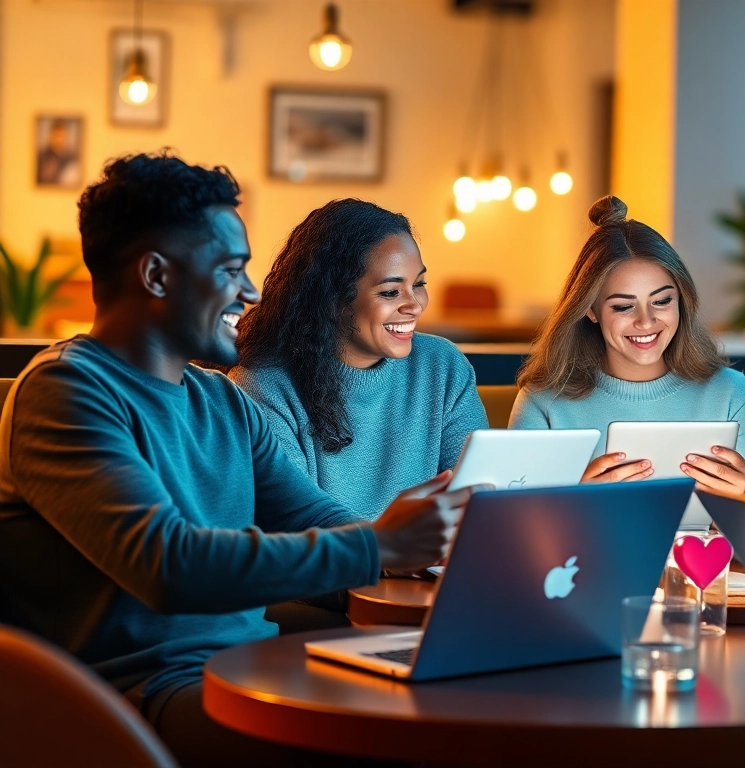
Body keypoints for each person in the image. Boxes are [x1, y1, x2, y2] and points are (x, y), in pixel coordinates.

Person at [0, 152, 479, 768]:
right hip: (132, 698)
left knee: (459, 709)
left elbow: (314, 517)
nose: (252, 292)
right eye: (230, 269)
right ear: (156, 275)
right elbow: (170, 565)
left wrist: (420, 536)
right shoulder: (65, 393)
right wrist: (379, 546)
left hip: (244, 666)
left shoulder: (220, 399)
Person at [509, 195, 745, 524]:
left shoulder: (731, 393)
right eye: (623, 306)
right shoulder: (544, 401)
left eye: (662, 301)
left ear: (682, 300)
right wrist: (576, 508)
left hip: (700, 574)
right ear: (590, 310)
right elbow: (518, 532)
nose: (646, 321)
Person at [232, 199, 488, 518]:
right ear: (332, 299)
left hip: (432, 566)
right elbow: (294, 523)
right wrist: (392, 544)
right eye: (390, 292)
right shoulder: (264, 386)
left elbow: (478, 502)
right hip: (338, 566)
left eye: (419, 284)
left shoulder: (443, 366)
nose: (415, 305)